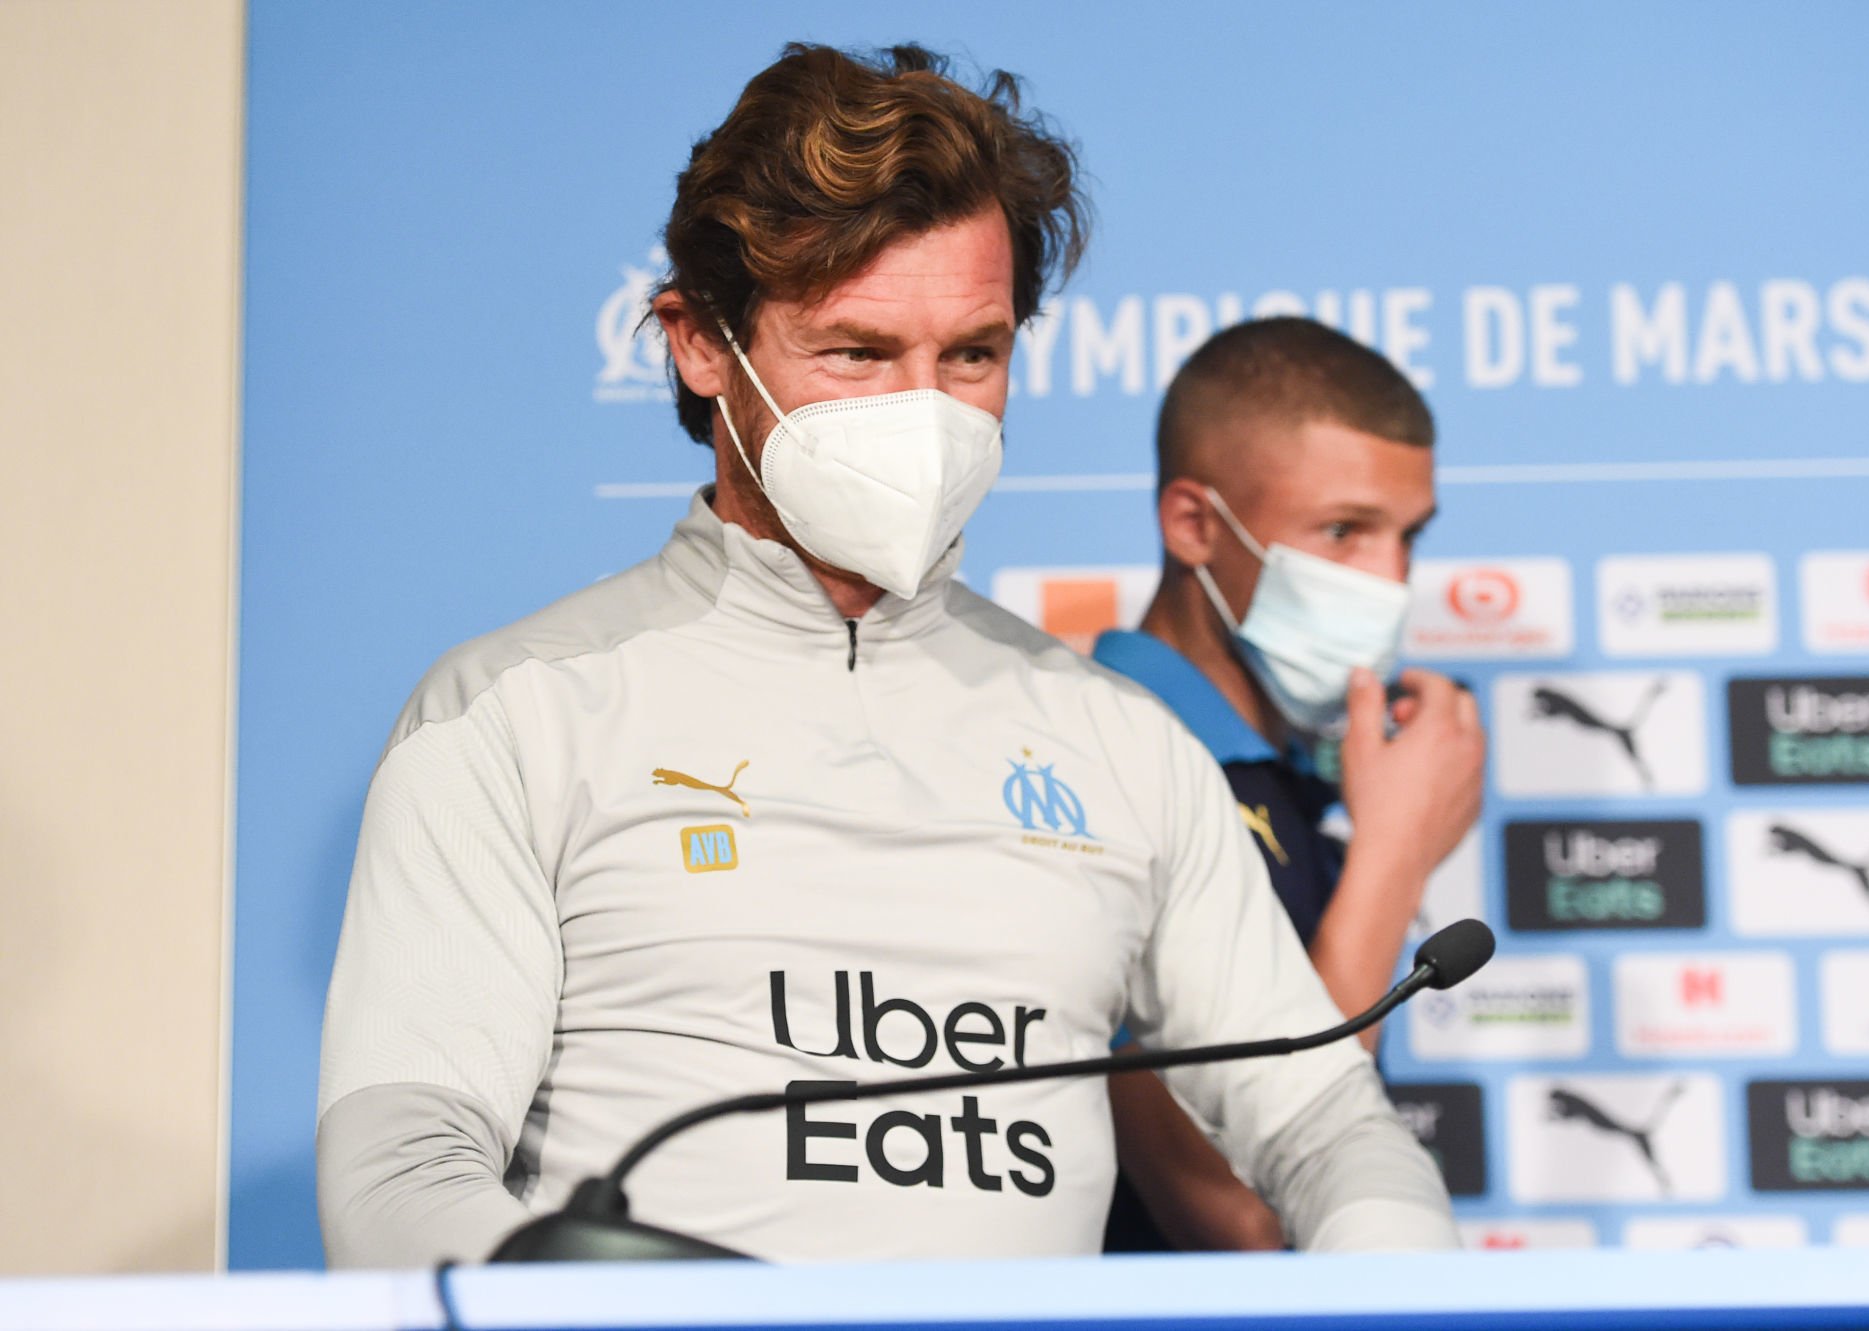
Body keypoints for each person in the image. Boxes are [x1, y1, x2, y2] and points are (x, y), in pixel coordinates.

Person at [316, 45, 1454, 1268]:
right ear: (701, 344)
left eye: (971, 354)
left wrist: (1393, 1268)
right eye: (857, 353)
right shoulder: (512, 712)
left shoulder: (1119, 741)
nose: (926, 412)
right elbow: (401, 1172)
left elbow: (1332, 1120)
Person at [1095, 317, 1485, 1251]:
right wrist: (1393, 853)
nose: (1390, 582)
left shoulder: (1292, 774)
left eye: (1408, 538)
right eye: (1345, 531)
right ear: (1194, 524)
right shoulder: (1099, 766)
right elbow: (1236, 1210)